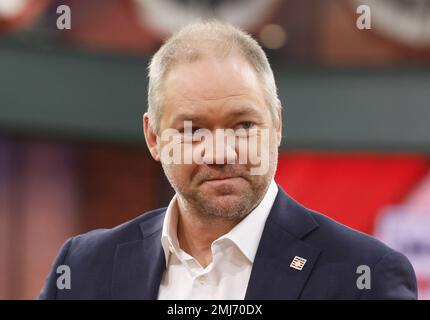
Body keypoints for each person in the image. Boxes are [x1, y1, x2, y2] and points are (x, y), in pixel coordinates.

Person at [38, 21, 417, 300]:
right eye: (192, 131)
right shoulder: (84, 267)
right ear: (154, 138)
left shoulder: (365, 276)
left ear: (277, 125)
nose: (221, 153)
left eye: (243, 125)